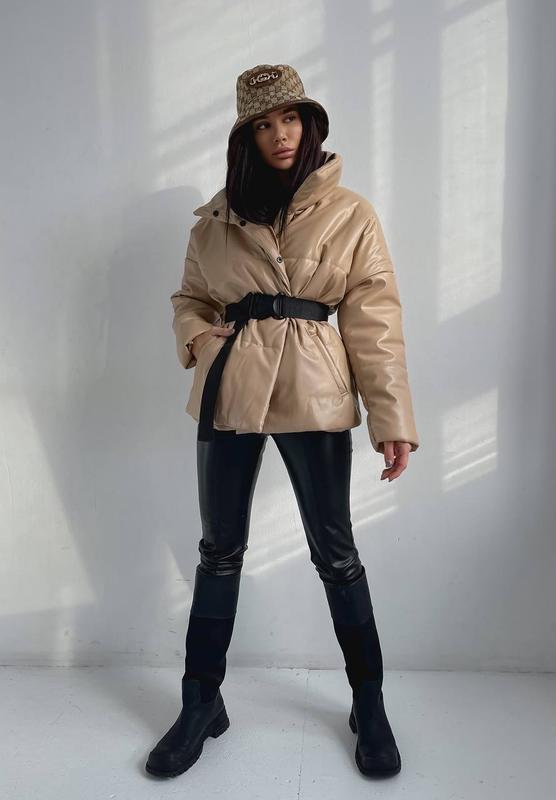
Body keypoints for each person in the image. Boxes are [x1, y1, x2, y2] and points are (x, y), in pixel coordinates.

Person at [145, 63, 420, 781]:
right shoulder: (214, 222)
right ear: (246, 138)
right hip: (229, 388)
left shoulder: (350, 213)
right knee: (218, 550)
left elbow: (375, 319)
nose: (280, 134)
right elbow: (189, 299)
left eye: (290, 118)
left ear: (310, 123)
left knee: (336, 551)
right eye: (263, 124)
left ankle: (369, 702)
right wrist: (200, 336)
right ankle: (201, 701)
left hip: (314, 385)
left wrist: (391, 417)